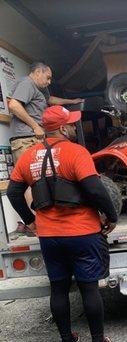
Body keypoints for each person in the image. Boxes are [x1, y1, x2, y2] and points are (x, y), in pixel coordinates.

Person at [7, 105, 118, 342]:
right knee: (89, 289)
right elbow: (95, 189)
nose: (73, 127)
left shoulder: (29, 156)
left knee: (58, 289)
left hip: (50, 236)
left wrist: (30, 220)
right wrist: (111, 216)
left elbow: (13, 192)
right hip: (83, 233)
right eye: (71, 123)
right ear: (63, 128)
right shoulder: (76, 152)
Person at [8, 61, 83, 237]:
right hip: (26, 139)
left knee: (41, 179)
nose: (49, 82)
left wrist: (72, 101)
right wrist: (35, 126)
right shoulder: (27, 83)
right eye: (48, 77)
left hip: (34, 138)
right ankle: (34, 223)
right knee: (30, 181)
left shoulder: (40, 90)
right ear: (37, 72)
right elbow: (13, 105)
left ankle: (44, 219)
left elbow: (51, 100)